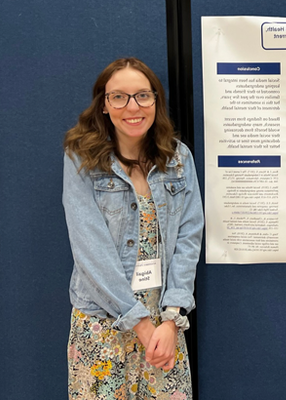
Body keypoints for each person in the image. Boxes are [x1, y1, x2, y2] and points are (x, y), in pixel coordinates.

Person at [63, 57, 204, 399]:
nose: (132, 107)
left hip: (163, 327)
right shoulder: (81, 158)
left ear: (156, 101)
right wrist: (139, 323)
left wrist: (172, 318)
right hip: (103, 325)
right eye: (119, 97)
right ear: (104, 105)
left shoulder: (178, 159)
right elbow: (90, 249)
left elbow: (189, 237)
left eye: (143, 95)